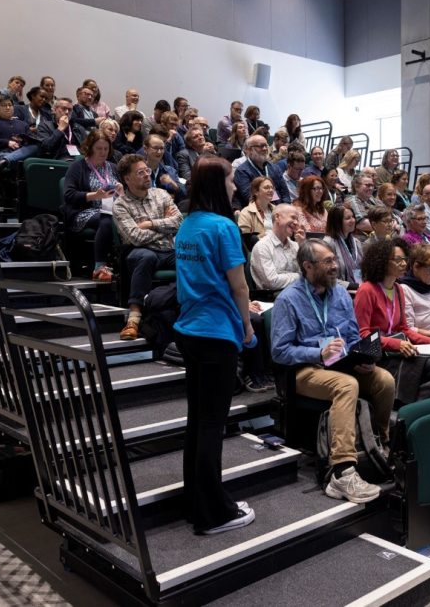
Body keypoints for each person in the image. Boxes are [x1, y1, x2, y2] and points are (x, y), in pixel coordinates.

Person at [271, 239, 395, 502]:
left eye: (334, 260)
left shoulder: (339, 293)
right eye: (327, 261)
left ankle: (379, 447)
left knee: (384, 379)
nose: (334, 266)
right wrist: (318, 353)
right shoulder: (288, 300)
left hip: (342, 363)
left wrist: (362, 356)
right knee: (346, 385)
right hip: (305, 370)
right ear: (308, 266)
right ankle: (342, 472)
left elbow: (350, 335)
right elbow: (280, 351)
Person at [173, 156, 255, 534]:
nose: (235, 186)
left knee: (197, 420)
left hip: (189, 329)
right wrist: (248, 326)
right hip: (216, 331)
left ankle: (196, 502)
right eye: (229, 180)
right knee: (211, 423)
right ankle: (213, 514)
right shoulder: (224, 227)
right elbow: (239, 286)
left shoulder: (187, 225)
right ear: (214, 183)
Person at [354, 239, 430, 405]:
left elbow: (404, 328)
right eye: (397, 260)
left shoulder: (398, 289)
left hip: (397, 349)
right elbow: (363, 333)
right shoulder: (367, 290)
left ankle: (414, 410)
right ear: (382, 261)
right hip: (378, 353)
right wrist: (396, 345)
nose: (404, 263)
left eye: (405, 259)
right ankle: (402, 409)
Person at [113, 154, 181, 340]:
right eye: (140, 172)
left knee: (189, 258)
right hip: (139, 252)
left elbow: (179, 222)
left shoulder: (161, 194)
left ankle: (184, 304)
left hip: (168, 250)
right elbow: (135, 237)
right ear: (127, 179)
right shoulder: (120, 205)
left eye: (147, 171)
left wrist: (150, 224)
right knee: (146, 257)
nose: (146, 175)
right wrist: (165, 227)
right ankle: (134, 318)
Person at [61, 130, 122, 282]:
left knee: (119, 218)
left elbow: (123, 194)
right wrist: (95, 195)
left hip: (112, 209)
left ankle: (123, 264)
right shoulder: (78, 167)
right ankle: (99, 267)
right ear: (90, 148)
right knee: (107, 220)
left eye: (106, 149)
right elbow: (69, 195)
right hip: (84, 211)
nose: (103, 152)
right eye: (99, 149)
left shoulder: (113, 167)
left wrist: (122, 191)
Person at [250, 204, 305, 292]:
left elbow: (309, 273)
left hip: (298, 293)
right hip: (272, 300)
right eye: (293, 217)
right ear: (277, 217)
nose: (296, 223)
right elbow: (272, 282)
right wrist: (299, 276)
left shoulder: (296, 245)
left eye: (297, 219)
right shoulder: (262, 247)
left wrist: (303, 247)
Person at [0, 96, 40, 175]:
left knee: (36, 147)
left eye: (10, 105)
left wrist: (23, 141)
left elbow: (31, 141)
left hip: (22, 153)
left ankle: (6, 161)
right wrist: (7, 142)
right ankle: (6, 161)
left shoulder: (23, 124)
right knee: (22, 163)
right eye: (3, 105)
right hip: (2, 153)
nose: (8, 107)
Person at [233, 135, 290, 207]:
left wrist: (285, 208)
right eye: (261, 146)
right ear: (250, 150)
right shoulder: (242, 171)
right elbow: (250, 198)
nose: (265, 148)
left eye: (266, 145)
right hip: (259, 212)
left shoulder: (274, 168)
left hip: (280, 210)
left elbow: (285, 193)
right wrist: (272, 210)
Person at [323, 205, 364, 289]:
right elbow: (326, 276)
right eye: (348, 218)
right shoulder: (328, 243)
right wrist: (353, 286)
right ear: (337, 222)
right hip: (338, 290)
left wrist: (361, 286)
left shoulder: (356, 242)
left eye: (353, 217)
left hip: (358, 288)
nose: (353, 220)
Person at [141, 133, 184, 205]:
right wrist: (164, 198)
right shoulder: (139, 172)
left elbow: (184, 195)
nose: (159, 152)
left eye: (161, 148)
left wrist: (173, 184)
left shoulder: (170, 171)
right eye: (155, 148)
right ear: (145, 149)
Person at [237, 176, 276, 241]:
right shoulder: (246, 212)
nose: (271, 190)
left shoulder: (277, 209)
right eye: (266, 188)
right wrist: (263, 236)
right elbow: (245, 240)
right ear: (256, 192)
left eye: (272, 188)